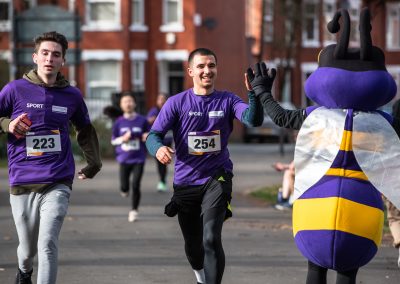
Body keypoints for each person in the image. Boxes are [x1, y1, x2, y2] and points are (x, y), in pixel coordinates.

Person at [246, 8, 399, 284]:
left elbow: (281, 116)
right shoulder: (381, 123)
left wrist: (262, 92)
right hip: (361, 211)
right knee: (347, 271)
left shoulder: (315, 117)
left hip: (315, 205)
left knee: (315, 268)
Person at [145, 47, 263, 284]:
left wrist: (255, 94)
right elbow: (153, 135)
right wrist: (158, 148)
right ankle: (200, 276)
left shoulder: (227, 100)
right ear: (190, 71)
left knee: (210, 238)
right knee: (194, 247)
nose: (207, 71)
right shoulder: (176, 103)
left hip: (217, 178)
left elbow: (252, 120)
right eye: (201, 66)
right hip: (186, 182)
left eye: (211, 66)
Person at [0, 31, 101, 284]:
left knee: (47, 243)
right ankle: (24, 271)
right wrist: (8, 124)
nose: (49, 58)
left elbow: (85, 129)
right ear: (35, 57)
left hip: (58, 178)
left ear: (62, 61)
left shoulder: (72, 95)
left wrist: (93, 162)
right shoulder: (15, 90)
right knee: (27, 250)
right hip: (22, 178)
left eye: (56, 54)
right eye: (45, 53)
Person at [111, 93, 150, 222]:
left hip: (139, 158)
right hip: (124, 159)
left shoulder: (142, 120)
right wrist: (123, 138)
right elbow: (113, 141)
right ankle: (124, 190)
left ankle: (134, 210)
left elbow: (150, 134)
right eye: (125, 102)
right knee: (124, 186)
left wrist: (146, 136)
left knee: (136, 184)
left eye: (130, 101)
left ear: (134, 103)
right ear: (121, 105)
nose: (128, 104)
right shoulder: (119, 122)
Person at [146, 92, 172, 192]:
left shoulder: (170, 110)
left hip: (167, 140)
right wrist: (152, 120)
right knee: (159, 163)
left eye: (163, 99)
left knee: (164, 162)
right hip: (157, 142)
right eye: (159, 99)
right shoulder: (154, 111)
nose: (161, 101)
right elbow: (147, 121)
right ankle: (162, 181)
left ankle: (162, 181)